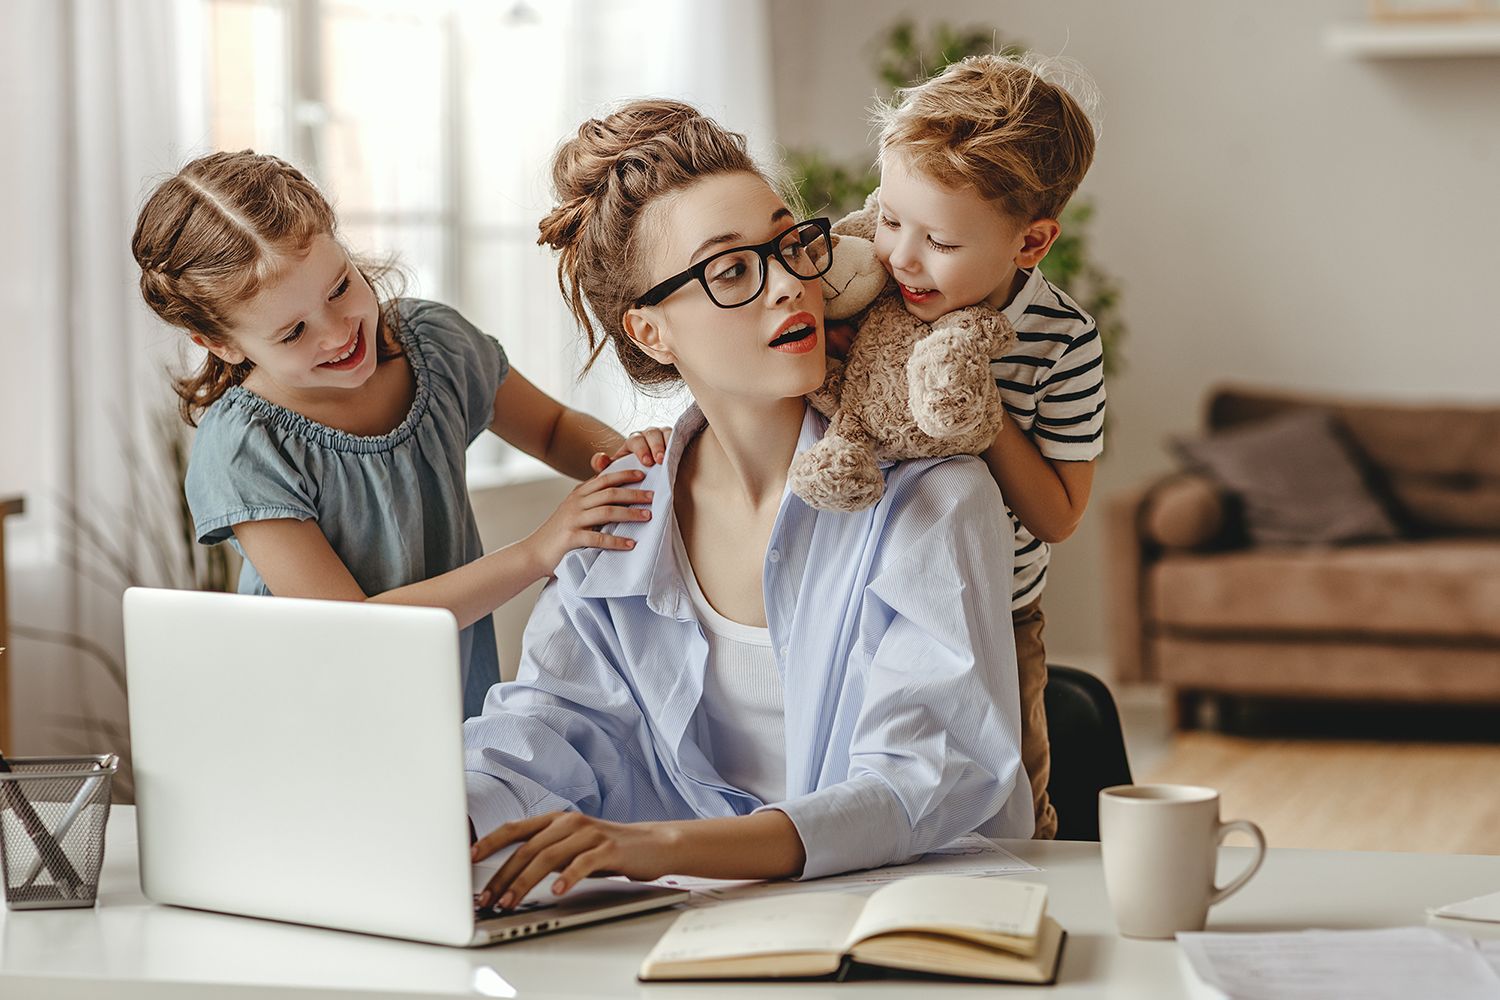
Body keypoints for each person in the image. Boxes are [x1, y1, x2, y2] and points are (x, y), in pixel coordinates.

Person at [465, 100, 1032, 911]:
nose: (789, 287)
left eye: (788, 245)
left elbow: (926, 781)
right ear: (651, 331)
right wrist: (456, 812)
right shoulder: (622, 515)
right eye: (732, 270)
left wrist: (657, 845)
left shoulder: (933, 499)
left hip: (904, 925)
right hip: (687, 934)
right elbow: (545, 730)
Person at [131, 150, 668, 717]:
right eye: (293, 332)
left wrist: (623, 459)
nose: (339, 333)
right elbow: (353, 629)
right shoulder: (245, 449)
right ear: (223, 345)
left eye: (339, 287)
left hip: (444, 689)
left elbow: (555, 428)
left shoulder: (436, 345)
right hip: (316, 716)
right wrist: (537, 552)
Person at [848, 53, 1105, 838]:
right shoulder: (868, 284)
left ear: (1031, 243)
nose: (903, 257)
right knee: (868, 781)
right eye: (891, 219)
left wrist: (981, 417)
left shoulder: (1062, 340)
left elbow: (1060, 515)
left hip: (997, 609)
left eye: (942, 243)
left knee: (1010, 798)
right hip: (868, 588)